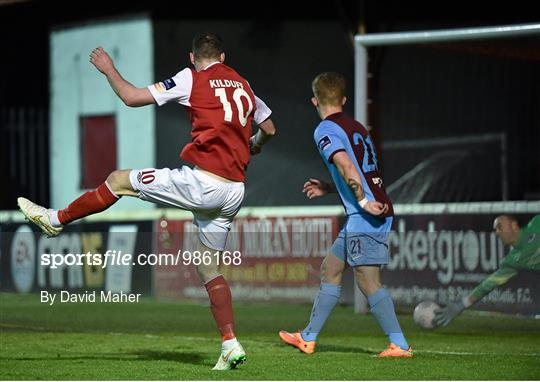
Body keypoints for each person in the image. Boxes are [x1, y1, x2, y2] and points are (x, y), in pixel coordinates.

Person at [18, 32, 276, 370]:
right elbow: (269, 128)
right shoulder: (243, 84)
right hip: (234, 192)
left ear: (191, 56)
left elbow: (130, 97)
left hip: (204, 183)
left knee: (118, 180)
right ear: (223, 58)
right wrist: (253, 145)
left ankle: (55, 220)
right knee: (207, 265)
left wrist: (109, 68)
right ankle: (229, 343)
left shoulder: (192, 77)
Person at [278, 72, 412, 357]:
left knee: (367, 281)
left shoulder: (324, 129)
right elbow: (360, 170)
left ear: (314, 100)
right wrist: (329, 188)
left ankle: (400, 344)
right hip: (365, 210)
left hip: (366, 213)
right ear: (344, 99)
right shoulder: (357, 127)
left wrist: (362, 202)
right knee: (331, 268)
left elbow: (347, 166)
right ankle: (308, 337)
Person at [434, 214, 540, 327]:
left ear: (514, 225)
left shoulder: (536, 224)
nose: (497, 232)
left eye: (500, 227)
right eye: (495, 229)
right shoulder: (512, 261)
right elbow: (487, 285)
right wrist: (462, 304)